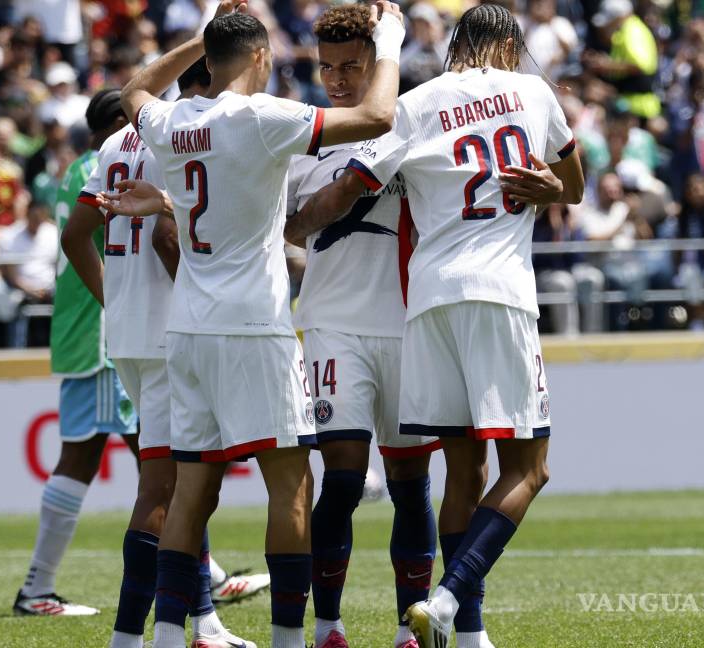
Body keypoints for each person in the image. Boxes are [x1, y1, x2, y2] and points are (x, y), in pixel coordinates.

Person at [113, 3, 405, 646]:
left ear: (209, 57)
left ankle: (167, 638)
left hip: (186, 328)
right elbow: (379, 116)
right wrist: (389, 42)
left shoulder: (169, 121)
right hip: (253, 328)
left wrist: (200, 38)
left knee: (193, 489)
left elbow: (131, 89)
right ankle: (287, 640)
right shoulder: (263, 117)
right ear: (261, 58)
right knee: (291, 487)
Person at [337, 5, 584, 646]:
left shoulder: (419, 103)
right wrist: (548, 188)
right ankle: (448, 600)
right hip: (500, 293)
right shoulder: (532, 91)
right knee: (530, 469)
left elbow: (358, 180)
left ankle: (469, 635)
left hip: (429, 298)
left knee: (463, 472)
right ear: (507, 43)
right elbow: (576, 185)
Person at [64, 60, 262, 648]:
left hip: (128, 331)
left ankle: (202, 622)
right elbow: (169, 234)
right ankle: (128, 636)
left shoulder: (116, 143)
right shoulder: (181, 134)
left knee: (186, 482)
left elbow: (77, 235)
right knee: (163, 489)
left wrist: (113, 299)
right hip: (175, 331)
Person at [281, 6, 438, 647]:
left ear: (379, 63)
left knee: (409, 485)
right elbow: (288, 230)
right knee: (343, 480)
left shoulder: (415, 125)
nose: (338, 80)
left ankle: (410, 629)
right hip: (332, 326)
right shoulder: (298, 139)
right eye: (328, 67)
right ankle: (329, 627)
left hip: (407, 325)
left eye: (352, 66)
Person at [11, 90, 135, 619]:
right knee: (159, 453)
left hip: (87, 331)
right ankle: (36, 588)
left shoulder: (74, 169)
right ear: (117, 123)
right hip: (104, 334)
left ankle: (37, 587)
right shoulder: (110, 162)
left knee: (109, 456)